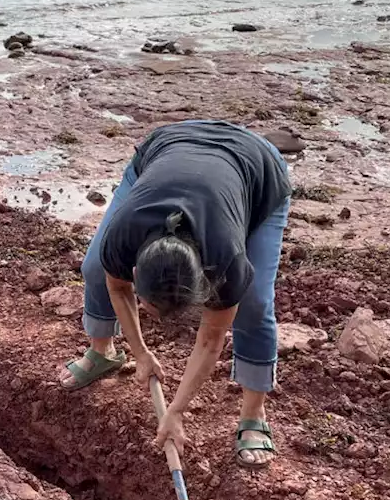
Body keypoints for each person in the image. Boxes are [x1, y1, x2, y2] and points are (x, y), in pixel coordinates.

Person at [57, 119, 292, 469]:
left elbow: (211, 339)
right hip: (170, 147)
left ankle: (253, 413)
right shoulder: (123, 235)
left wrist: (176, 411)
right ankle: (102, 351)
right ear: (135, 272)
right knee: (94, 266)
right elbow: (116, 287)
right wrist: (140, 353)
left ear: (204, 280)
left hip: (257, 169)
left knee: (254, 304)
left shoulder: (226, 260)